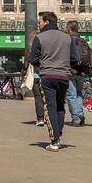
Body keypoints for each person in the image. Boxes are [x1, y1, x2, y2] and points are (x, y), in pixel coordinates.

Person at [28, 11, 72, 151]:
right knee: (60, 106)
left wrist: (44, 63)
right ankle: (58, 134)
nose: (38, 24)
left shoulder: (40, 37)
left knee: (51, 107)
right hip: (64, 76)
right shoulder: (67, 37)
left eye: (40, 21)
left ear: (46, 21)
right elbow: (75, 58)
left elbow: (33, 59)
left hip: (47, 76)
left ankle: (54, 140)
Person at [65, 22, 91, 125]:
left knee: (71, 95)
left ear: (69, 29)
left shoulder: (67, 41)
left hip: (70, 71)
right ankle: (80, 114)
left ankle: (75, 118)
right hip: (81, 72)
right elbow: (90, 57)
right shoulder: (83, 41)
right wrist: (90, 73)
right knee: (79, 94)